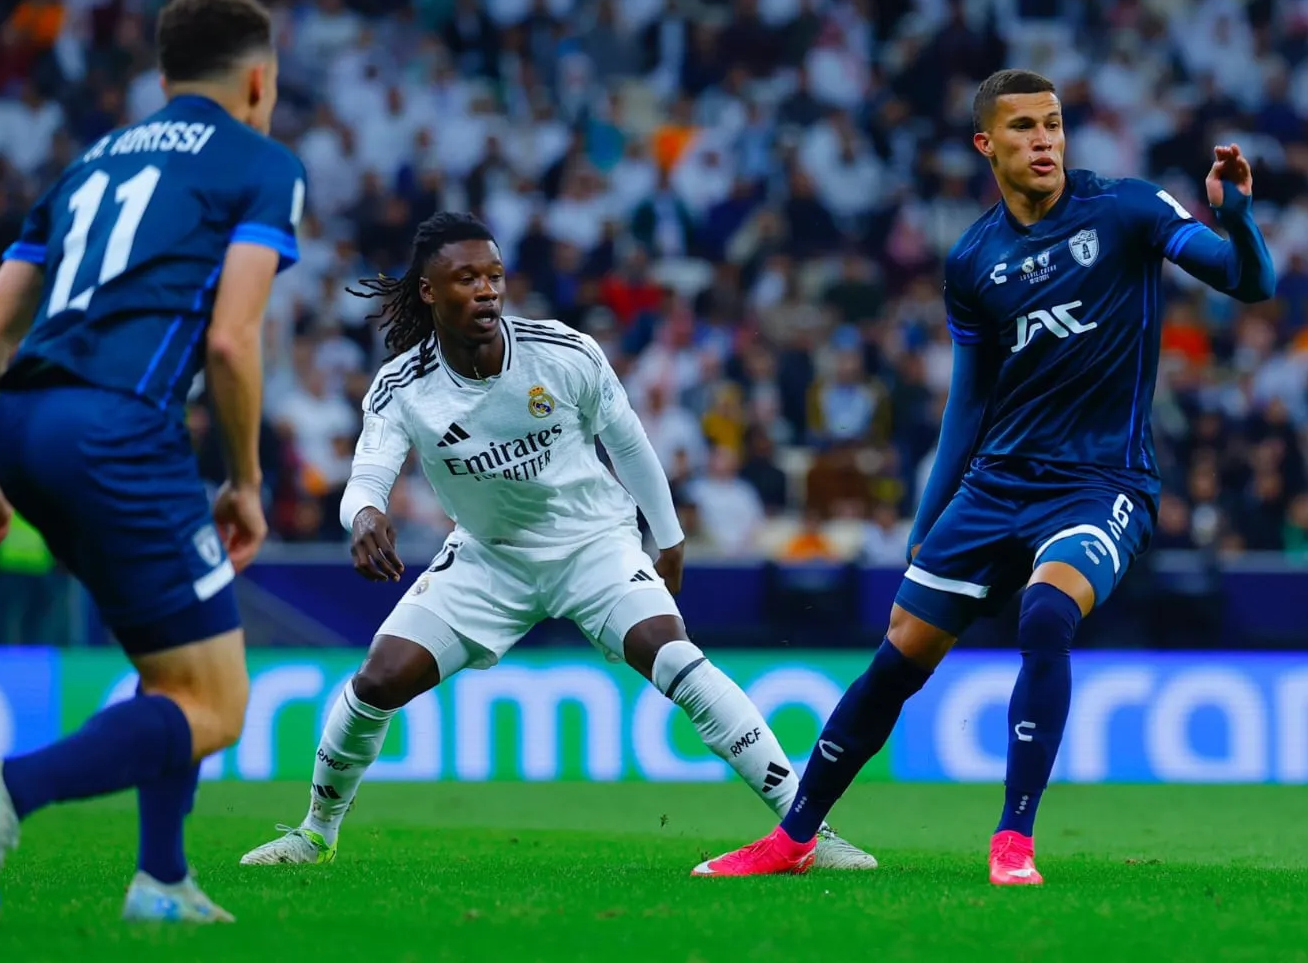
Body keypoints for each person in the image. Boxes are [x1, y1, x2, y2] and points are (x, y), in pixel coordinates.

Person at [695, 68, 1274, 884]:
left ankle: (1014, 841)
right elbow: (967, 406)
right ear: (986, 144)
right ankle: (793, 840)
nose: (1045, 141)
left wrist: (1240, 222)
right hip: (996, 486)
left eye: (1055, 125)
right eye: (1025, 128)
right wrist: (928, 525)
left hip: (1099, 483)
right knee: (898, 658)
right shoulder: (974, 259)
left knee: (1045, 615)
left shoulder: (1128, 209)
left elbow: (1252, 283)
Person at [238, 212, 873, 872]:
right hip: (490, 558)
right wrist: (365, 515)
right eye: (467, 278)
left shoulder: (562, 351)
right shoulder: (404, 386)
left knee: (674, 657)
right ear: (429, 291)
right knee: (377, 680)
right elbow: (366, 476)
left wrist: (670, 534)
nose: (486, 290)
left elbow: (626, 440)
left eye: (494, 276)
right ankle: (314, 836)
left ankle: (807, 834)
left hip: (593, 544)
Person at [0, 0, 306, 925]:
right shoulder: (261, 163)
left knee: (171, 676)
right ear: (259, 80)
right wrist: (244, 480)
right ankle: (3, 787)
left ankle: (162, 879)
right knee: (219, 705)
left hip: (23, 427)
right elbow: (234, 343)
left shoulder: (85, 165)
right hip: (117, 431)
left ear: (163, 80)